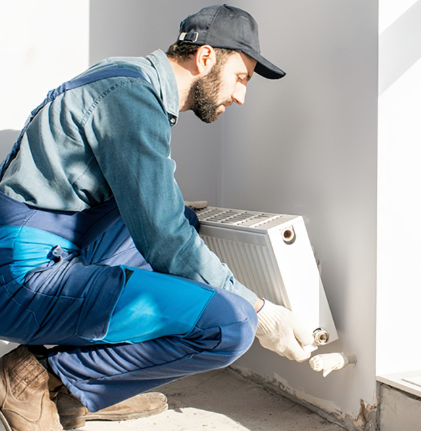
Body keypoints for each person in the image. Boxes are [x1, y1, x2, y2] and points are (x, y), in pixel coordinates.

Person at [0, 5, 315, 430]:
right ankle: (37, 378)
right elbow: (165, 237)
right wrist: (261, 312)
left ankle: (77, 389)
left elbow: (160, 219)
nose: (241, 96)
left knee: (183, 219)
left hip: (36, 250)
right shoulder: (132, 101)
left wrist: (177, 217)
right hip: (23, 279)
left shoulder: (127, 77)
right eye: (241, 78)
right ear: (205, 58)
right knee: (230, 323)